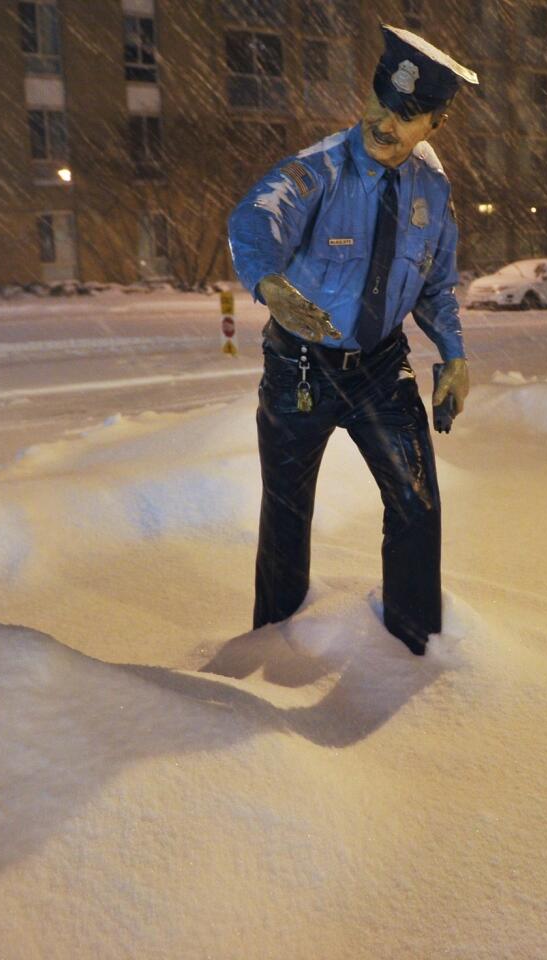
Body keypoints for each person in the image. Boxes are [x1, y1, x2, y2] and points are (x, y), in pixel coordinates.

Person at [227, 25, 478, 655]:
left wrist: (453, 353)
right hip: (301, 371)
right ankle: (274, 651)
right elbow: (256, 218)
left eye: (408, 115)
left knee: (417, 504)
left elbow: (436, 286)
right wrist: (271, 285)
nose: (387, 123)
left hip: (381, 370)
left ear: (435, 125)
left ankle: (414, 646)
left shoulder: (432, 190)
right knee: (287, 516)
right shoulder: (318, 172)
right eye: (381, 105)